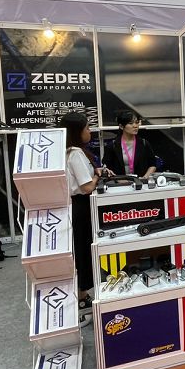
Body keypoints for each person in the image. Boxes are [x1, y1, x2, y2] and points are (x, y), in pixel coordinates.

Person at [60, 112, 106, 322]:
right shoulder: (76, 153)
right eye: (87, 128)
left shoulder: (67, 152)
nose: (90, 131)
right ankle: (82, 294)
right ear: (77, 131)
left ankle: (82, 294)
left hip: (75, 206)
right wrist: (97, 175)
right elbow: (87, 187)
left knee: (80, 250)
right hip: (81, 206)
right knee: (84, 250)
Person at [103, 110, 157, 178]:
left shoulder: (144, 143)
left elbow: (153, 165)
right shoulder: (112, 145)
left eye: (137, 122)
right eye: (131, 123)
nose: (135, 126)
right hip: (119, 182)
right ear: (121, 126)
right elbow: (106, 167)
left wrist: (144, 178)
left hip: (140, 182)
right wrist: (116, 179)